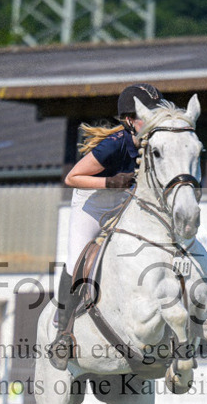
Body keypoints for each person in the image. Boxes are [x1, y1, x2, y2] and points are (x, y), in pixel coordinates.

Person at [49, 82, 164, 370]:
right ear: (129, 120)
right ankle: (63, 334)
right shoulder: (114, 145)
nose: (152, 120)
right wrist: (111, 182)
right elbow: (73, 177)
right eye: (144, 115)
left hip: (124, 201)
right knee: (77, 262)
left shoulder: (156, 143)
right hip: (93, 202)